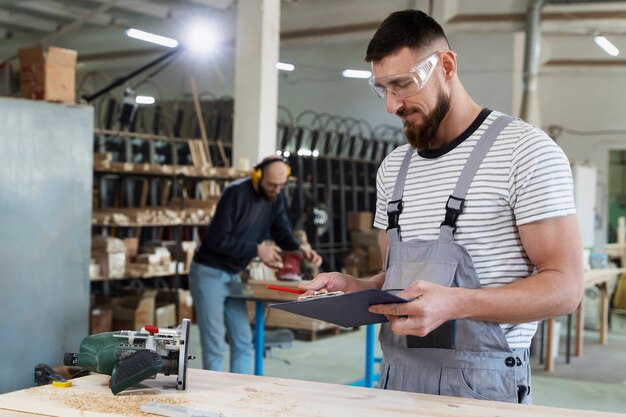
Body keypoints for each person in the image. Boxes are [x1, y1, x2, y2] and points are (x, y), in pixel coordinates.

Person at [301, 10, 583, 403]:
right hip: (396, 380)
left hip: (482, 387)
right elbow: (399, 283)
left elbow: (566, 288)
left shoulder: (525, 152)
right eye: (382, 89)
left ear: (446, 65)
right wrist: (358, 289)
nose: (391, 105)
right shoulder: (394, 168)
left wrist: (457, 304)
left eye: (402, 84)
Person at [190, 155, 322, 373]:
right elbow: (216, 240)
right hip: (209, 273)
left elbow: (282, 231)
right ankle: (212, 400)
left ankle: (237, 397)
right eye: (272, 184)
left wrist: (300, 249)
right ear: (257, 176)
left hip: (233, 275)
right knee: (214, 344)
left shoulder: (276, 196)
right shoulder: (235, 193)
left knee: (242, 339)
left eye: (281, 185)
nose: (276, 190)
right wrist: (257, 250)